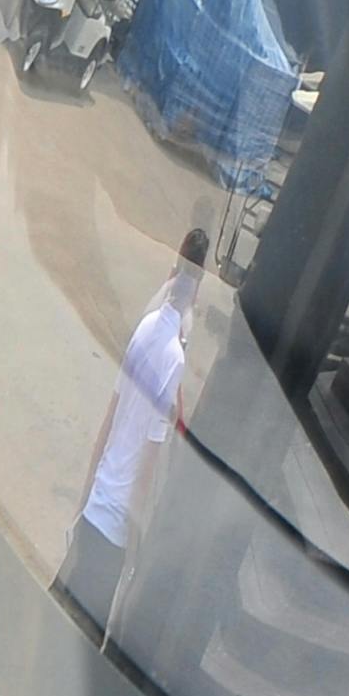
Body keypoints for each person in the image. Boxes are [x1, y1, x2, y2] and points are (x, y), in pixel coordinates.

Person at [59, 228, 207, 630]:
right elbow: (148, 462)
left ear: (171, 271)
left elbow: (110, 418)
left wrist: (82, 500)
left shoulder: (144, 329)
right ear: (197, 292)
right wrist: (136, 547)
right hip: (116, 524)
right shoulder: (174, 357)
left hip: (95, 508)